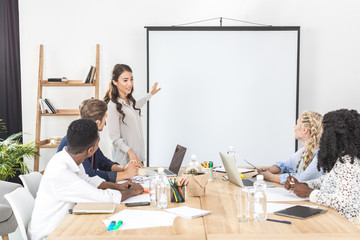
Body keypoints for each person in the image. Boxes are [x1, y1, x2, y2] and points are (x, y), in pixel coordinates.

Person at [28, 119, 144, 240]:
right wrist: (132, 192)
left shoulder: (68, 159)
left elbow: (88, 180)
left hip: (64, 225)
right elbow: (102, 198)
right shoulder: (61, 172)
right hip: (49, 234)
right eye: (98, 144)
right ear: (90, 151)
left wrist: (119, 186)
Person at [285, 109, 360, 228]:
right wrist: (304, 184)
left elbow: (342, 202)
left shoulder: (348, 162)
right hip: (335, 219)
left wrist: (309, 192)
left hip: (347, 227)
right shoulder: (342, 156)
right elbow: (327, 180)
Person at [57, 98, 139, 182]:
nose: (106, 123)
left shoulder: (89, 136)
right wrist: (125, 174)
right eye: (105, 119)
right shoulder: (76, 140)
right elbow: (89, 174)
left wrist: (123, 169)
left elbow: (102, 162)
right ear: (97, 123)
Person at [104, 64, 161, 166]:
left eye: (131, 79)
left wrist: (150, 94)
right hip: (125, 161)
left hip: (137, 158)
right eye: (125, 80)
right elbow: (114, 139)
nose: (130, 83)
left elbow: (136, 105)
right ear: (115, 82)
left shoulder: (129, 102)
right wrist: (131, 153)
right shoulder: (112, 106)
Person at [259, 111, 323, 184]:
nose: (294, 127)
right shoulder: (302, 152)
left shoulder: (320, 157)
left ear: (304, 130)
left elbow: (301, 179)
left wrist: (270, 177)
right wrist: (269, 169)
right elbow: (285, 165)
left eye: (297, 124)